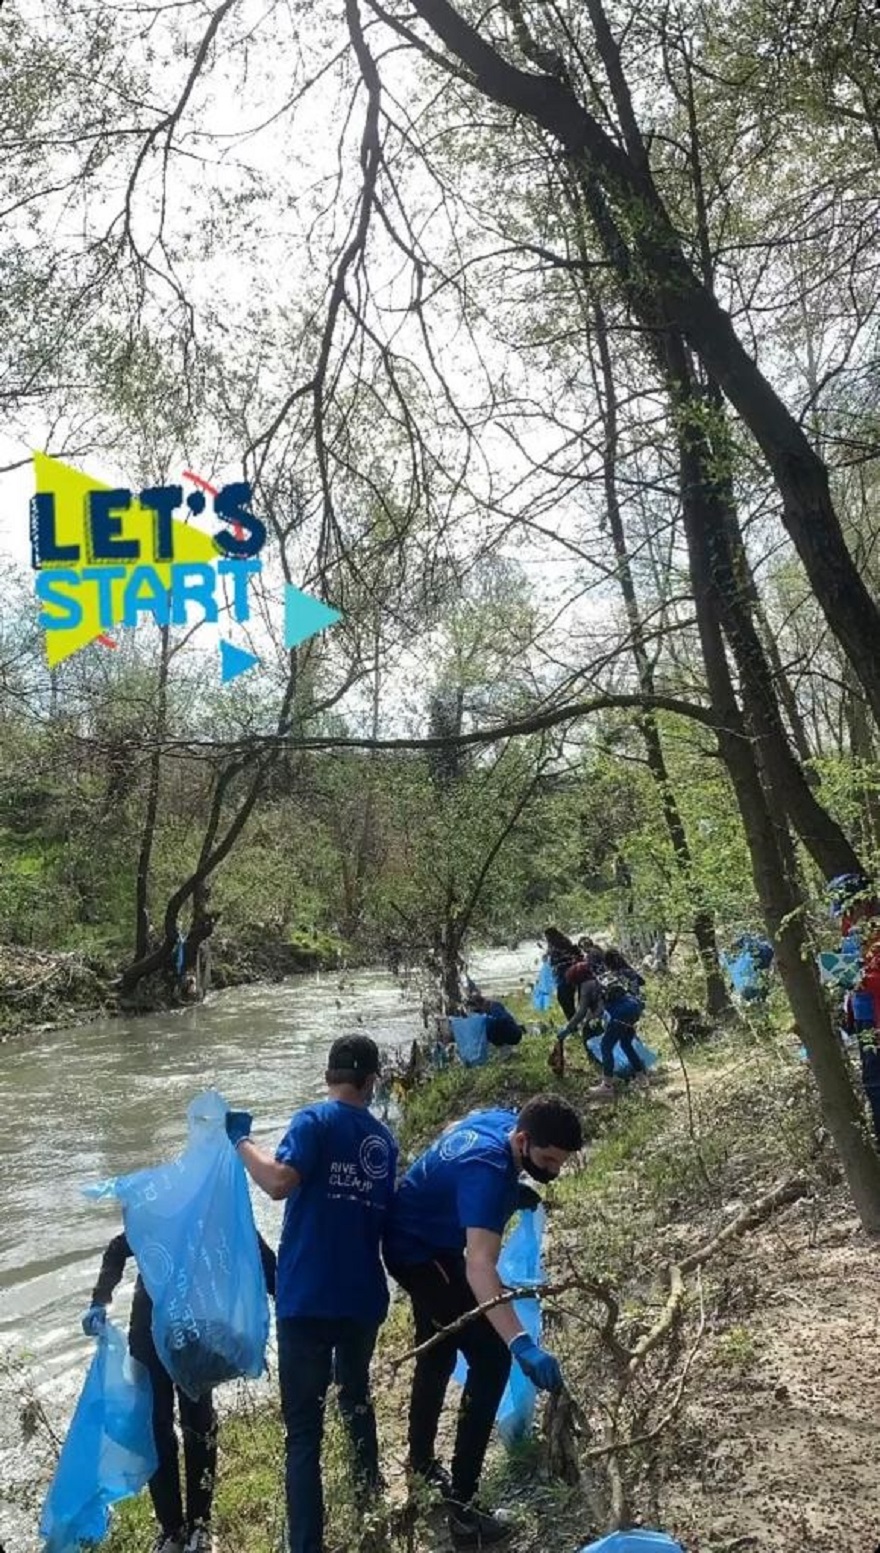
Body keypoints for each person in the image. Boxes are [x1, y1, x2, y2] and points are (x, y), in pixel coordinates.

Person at [383, 1094, 583, 1548]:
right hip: (417, 1250)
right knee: (492, 1358)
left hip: (428, 1232)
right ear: (524, 1139)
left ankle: (420, 1466)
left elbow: (459, 1119)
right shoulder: (490, 1173)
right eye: (548, 1161)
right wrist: (521, 1343)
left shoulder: (504, 1123)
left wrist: (510, 1191)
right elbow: (480, 1267)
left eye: (560, 1164)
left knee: (437, 1348)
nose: (552, 1172)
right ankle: (465, 1511)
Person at [227, 1035, 397, 1553]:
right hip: (363, 1296)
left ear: (329, 1077)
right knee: (356, 1397)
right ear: (371, 1081)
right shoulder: (384, 1142)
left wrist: (241, 1143)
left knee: (303, 1432)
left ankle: (307, 1546)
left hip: (307, 1300)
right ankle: (372, 1502)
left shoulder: (313, 1122)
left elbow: (279, 1183)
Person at [81, 1226, 277, 1553]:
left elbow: (249, 1239)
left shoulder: (215, 1199)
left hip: (198, 1333)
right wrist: (99, 1299)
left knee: (198, 1425)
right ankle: (171, 1529)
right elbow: (118, 1248)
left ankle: (200, 1525)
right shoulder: (162, 1203)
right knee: (155, 1428)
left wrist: (288, 1297)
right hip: (148, 1331)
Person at [589, 947, 649, 1100]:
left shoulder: (600, 979)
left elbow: (600, 1008)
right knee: (626, 1043)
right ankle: (642, 1079)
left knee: (605, 1046)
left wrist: (589, 1018)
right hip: (634, 1007)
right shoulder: (619, 974)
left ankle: (607, 1086)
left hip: (621, 1013)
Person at [543, 926, 582, 1020]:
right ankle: (574, 1022)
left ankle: (573, 1023)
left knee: (564, 999)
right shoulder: (558, 943)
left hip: (565, 975)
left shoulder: (559, 944)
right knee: (567, 1000)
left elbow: (562, 958)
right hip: (565, 975)